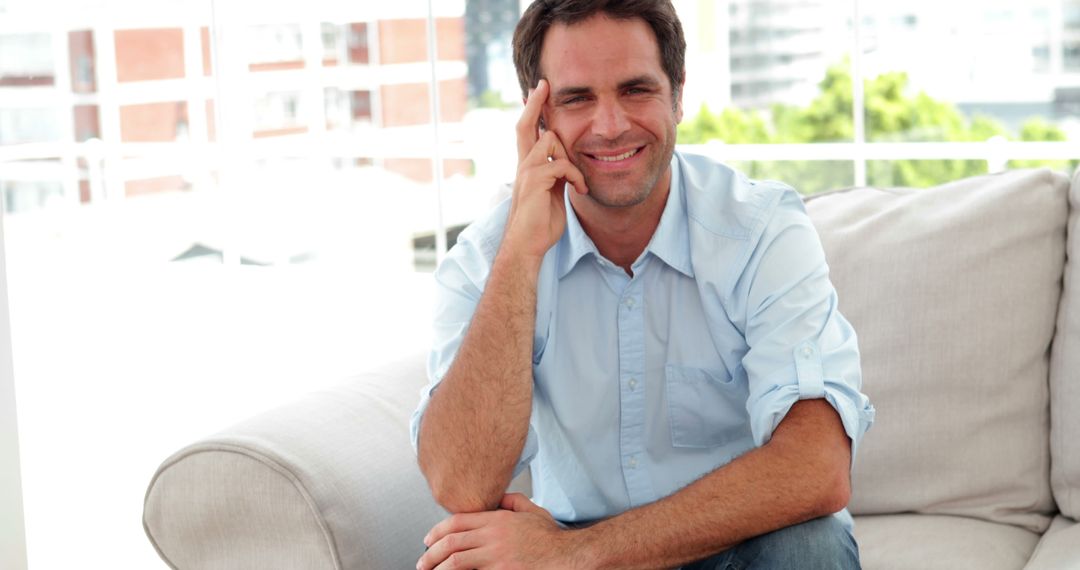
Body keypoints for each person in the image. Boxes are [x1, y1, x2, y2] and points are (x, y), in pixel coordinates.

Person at [410, 1, 874, 567]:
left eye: (636, 90)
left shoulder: (759, 231)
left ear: (677, 94)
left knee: (812, 545)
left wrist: (577, 554)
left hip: (733, 545)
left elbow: (817, 469)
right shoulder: (487, 258)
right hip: (568, 547)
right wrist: (520, 256)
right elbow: (462, 487)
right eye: (577, 99)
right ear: (538, 116)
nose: (610, 126)